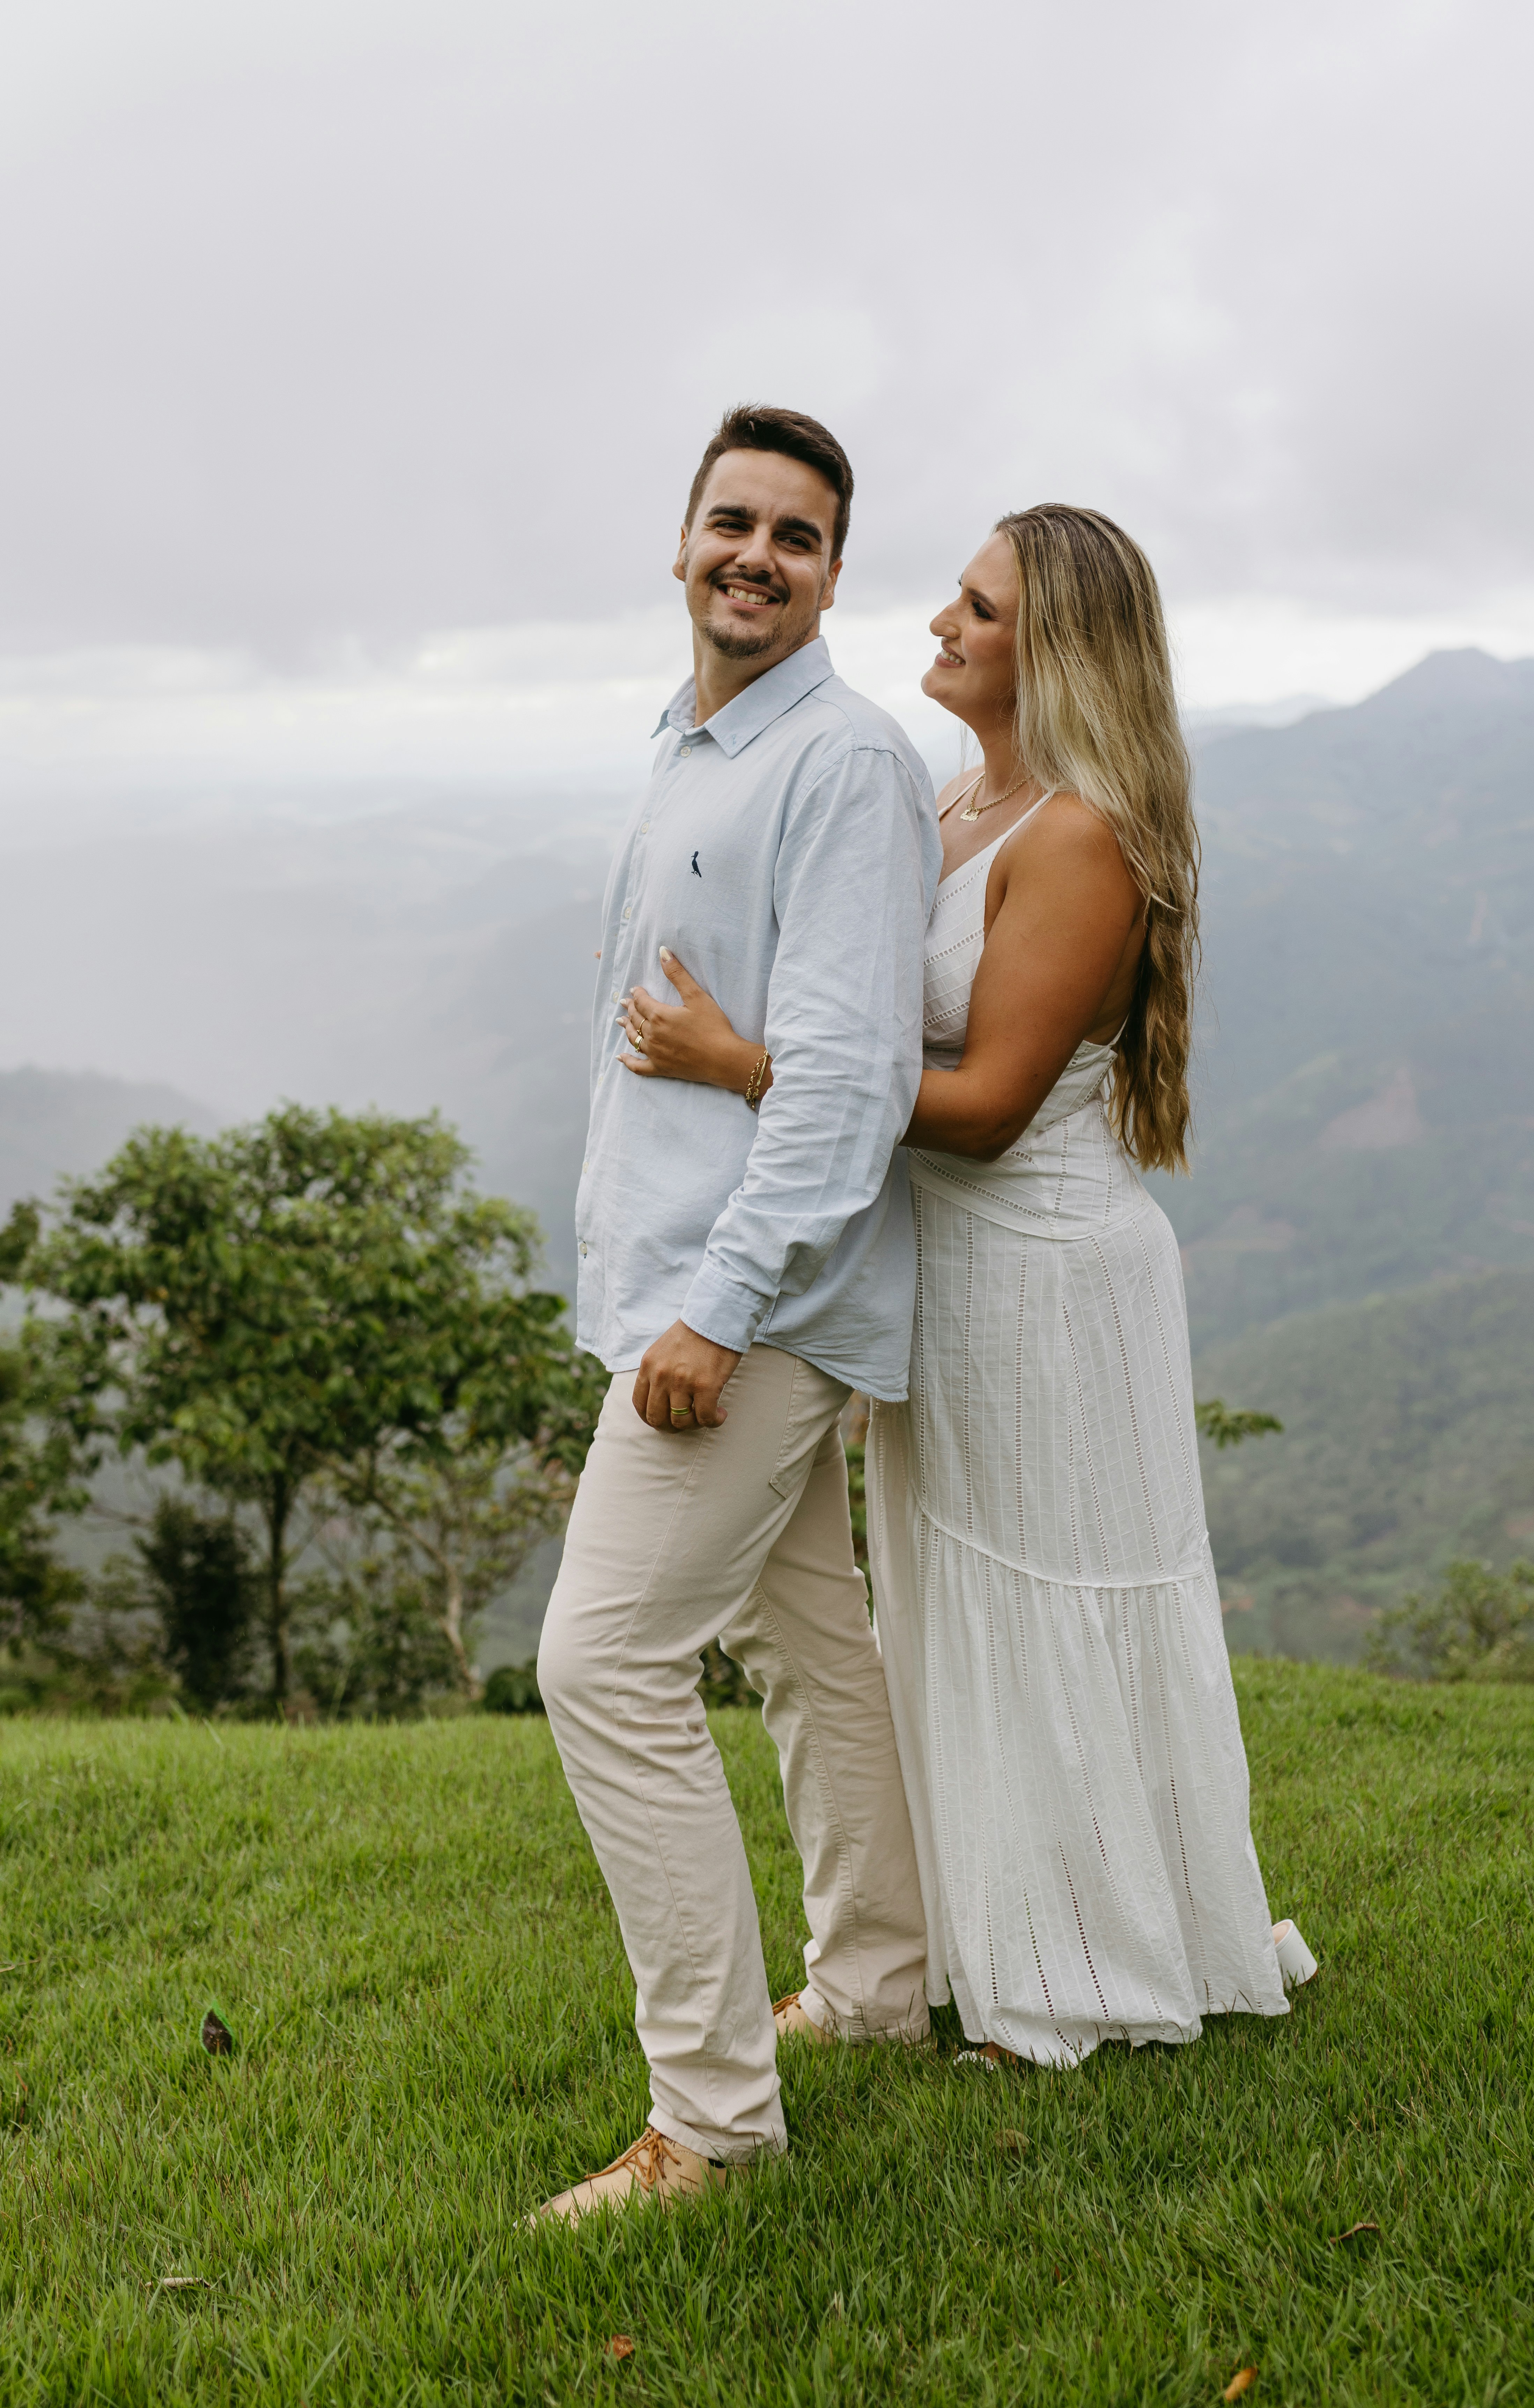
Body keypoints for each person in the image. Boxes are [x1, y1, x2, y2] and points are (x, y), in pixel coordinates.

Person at [617, 502, 1300, 2072]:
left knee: (1045, 1601)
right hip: (954, 1277)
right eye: (953, 597)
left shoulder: (1081, 830)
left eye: (979, 609)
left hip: (1050, 1276)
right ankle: (988, 1941)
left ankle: (1086, 1974)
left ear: (1052, 648)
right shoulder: (955, 804)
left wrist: (753, 1069)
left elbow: (988, 1106)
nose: (939, 623)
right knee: (958, 1610)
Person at [528, 406, 938, 2228]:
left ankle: (711, 2121)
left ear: (835, 570)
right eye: (730, 523)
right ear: (681, 538)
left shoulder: (840, 766)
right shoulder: (691, 744)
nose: (754, 556)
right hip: (690, 1289)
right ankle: (873, 1979)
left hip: (746, 1311)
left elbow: (848, 1083)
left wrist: (709, 1309)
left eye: (794, 535)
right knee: (804, 1641)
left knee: (600, 1662)